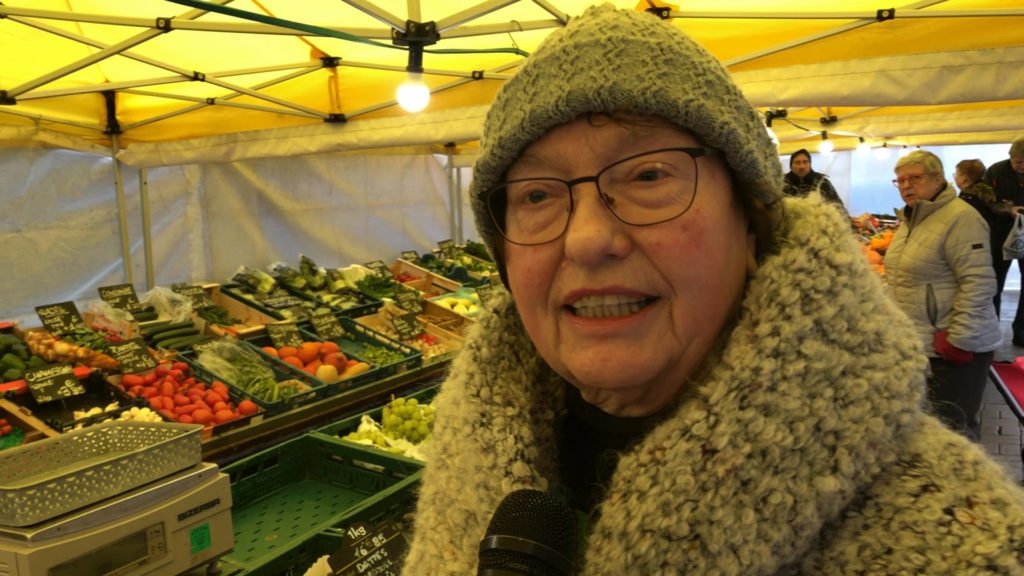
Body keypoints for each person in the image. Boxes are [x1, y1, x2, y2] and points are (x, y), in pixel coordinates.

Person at [401, 6, 1024, 575]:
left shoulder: (961, 539)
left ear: (751, 225)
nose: (587, 240)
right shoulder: (461, 480)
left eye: (648, 174)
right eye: (536, 195)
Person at [883, 150, 1002, 441]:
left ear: (939, 179)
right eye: (900, 181)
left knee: (953, 433)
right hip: (920, 343)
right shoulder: (913, 219)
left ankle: (965, 486)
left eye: (915, 178)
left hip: (952, 347)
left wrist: (959, 339)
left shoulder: (960, 218)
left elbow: (979, 281)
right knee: (925, 430)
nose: (906, 186)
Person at [955, 158, 1011, 311]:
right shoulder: (989, 193)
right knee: (993, 291)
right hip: (995, 247)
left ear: (964, 178)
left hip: (975, 251)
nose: (954, 177)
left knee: (978, 293)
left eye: (956, 173)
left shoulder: (967, 199)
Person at [985, 137, 1024, 344]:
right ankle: (992, 330)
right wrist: (1008, 209)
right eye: (1018, 161)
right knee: (995, 284)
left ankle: (1021, 333)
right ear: (1010, 157)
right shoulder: (995, 172)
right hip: (1000, 235)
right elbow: (986, 201)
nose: (1022, 166)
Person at [782, 148, 846, 213]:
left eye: (805, 162)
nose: (802, 166)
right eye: (797, 163)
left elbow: (839, 207)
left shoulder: (822, 182)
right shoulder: (783, 183)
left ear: (810, 164)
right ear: (791, 165)